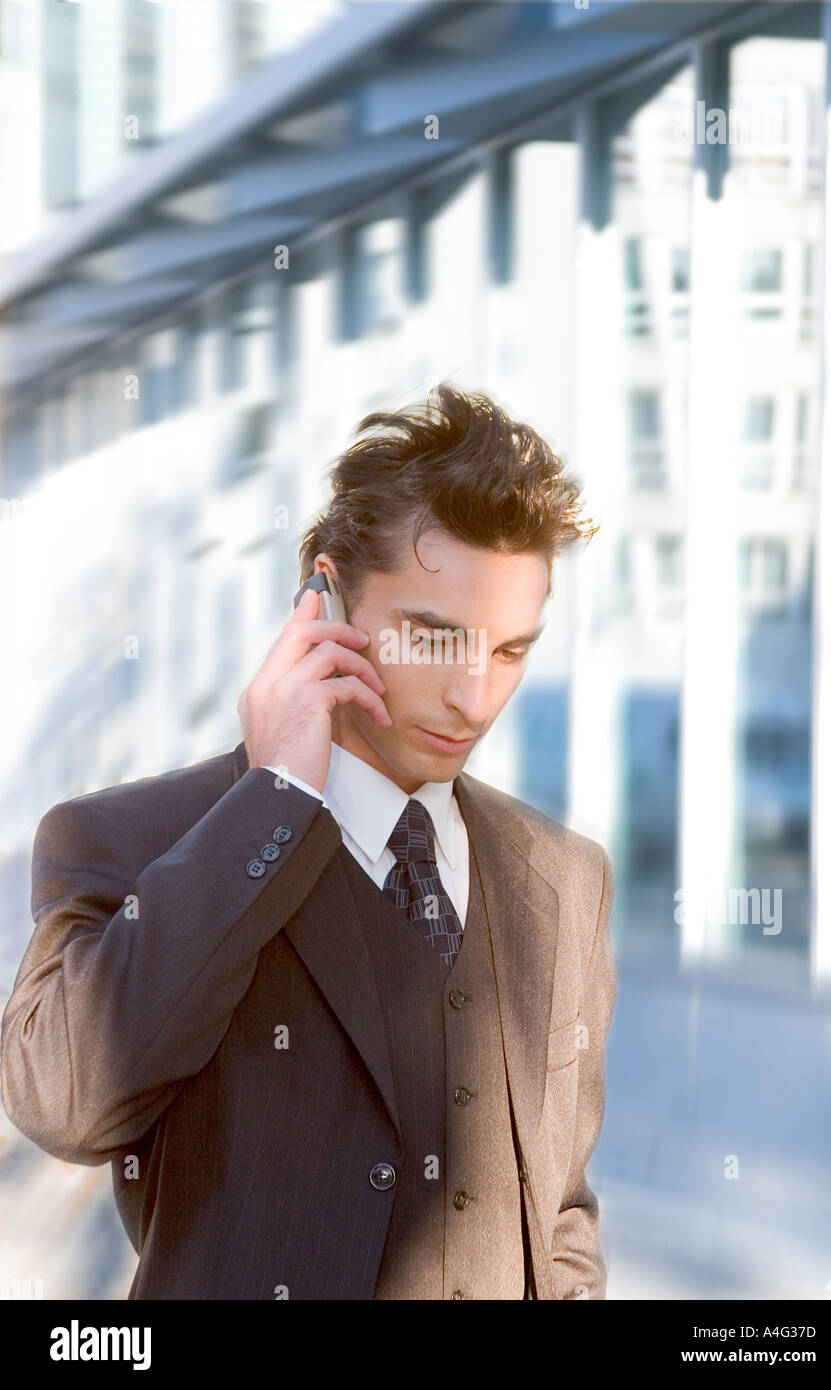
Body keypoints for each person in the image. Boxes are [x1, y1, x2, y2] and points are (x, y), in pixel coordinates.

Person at [0, 383, 616, 1301]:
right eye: (436, 640)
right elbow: (63, 1102)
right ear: (322, 598)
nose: (475, 698)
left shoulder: (562, 880)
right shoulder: (132, 839)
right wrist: (275, 796)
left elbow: (560, 1214)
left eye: (510, 651)